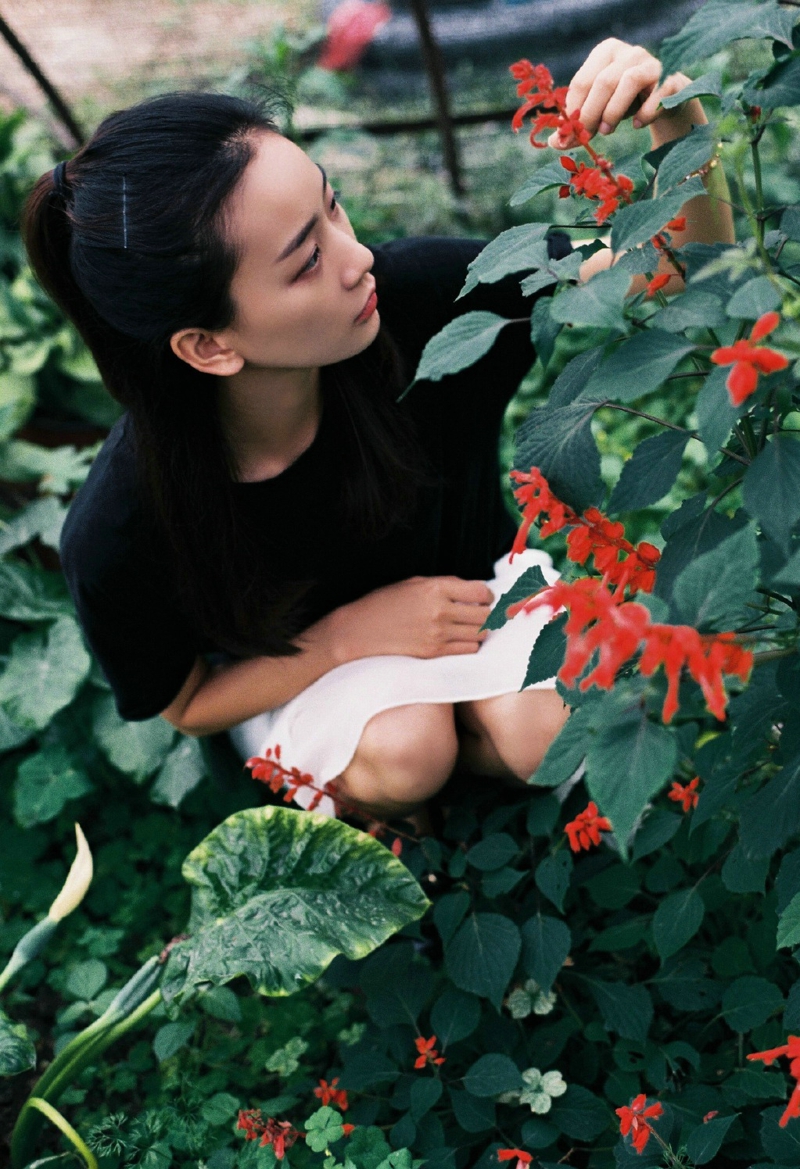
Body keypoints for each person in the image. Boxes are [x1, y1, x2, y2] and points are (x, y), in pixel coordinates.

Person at [23, 38, 734, 825]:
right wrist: (342, 639)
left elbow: (680, 270)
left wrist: (674, 114)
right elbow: (186, 701)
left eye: (332, 207)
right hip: (297, 671)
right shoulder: (124, 522)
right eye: (304, 264)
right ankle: (402, 800)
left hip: (473, 599)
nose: (358, 257)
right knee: (409, 749)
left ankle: (463, 777)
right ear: (209, 344)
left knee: (546, 733)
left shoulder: (420, 297)